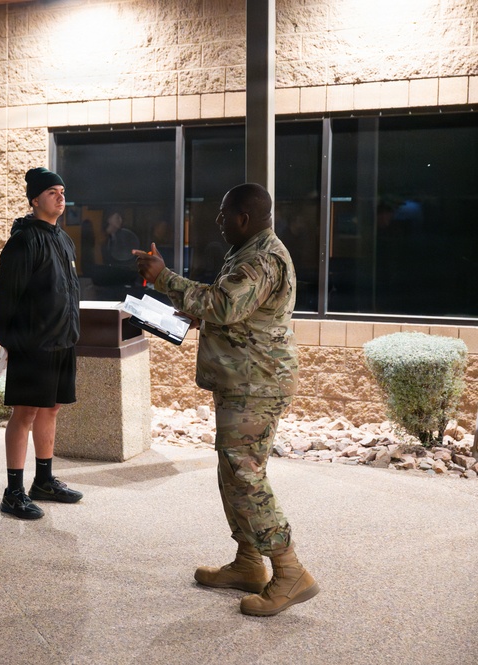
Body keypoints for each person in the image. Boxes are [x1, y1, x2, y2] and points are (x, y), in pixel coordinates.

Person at [134, 182, 319, 617]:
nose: (217, 221)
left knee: (246, 477)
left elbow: (224, 304)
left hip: (257, 383)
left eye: (223, 214)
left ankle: (290, 571)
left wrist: (164, 278)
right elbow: (235, 312)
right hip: (244, 380)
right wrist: (199, 316)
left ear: (244, 218)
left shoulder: (262, 259)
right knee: (233, 473)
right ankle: (249, 562)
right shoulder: (246, 252)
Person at [0, 167, 84, 520]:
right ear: (34, 200)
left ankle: (43, 481)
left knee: (52, 408)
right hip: (33, 344)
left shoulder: (64, 239)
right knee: (25, 412)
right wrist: (12, 341)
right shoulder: (23, 241)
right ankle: (13, 492)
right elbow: (5, 298)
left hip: (62, 340)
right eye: (51, 193)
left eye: (62, 191)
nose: (60, 197)